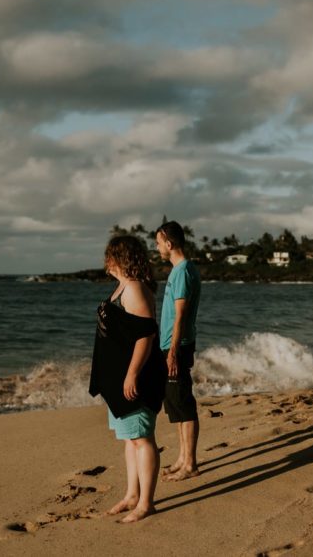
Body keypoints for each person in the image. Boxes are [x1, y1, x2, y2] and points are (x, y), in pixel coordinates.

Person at [88, 235, 167, 522]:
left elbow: (146, 335)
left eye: (109, 255)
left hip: (138, 379)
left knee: (142, 439)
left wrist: (132, 374)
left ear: (119, 257)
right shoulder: (123, 286)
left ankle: (146, 502)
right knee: (130, 439)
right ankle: (132, 494)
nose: (105, 261)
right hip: (120, 380)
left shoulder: (134, 289)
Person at [155, 221, 202, 481]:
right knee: (176, 402)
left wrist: (172, 350)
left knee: (184, 404)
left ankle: (191, 464)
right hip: (173, 346)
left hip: (178, 346)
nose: (158, 247)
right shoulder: (180, 270)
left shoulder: (182, 271)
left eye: (159, 243)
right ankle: (183, 458)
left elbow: (181, 315)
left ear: (169, 244)